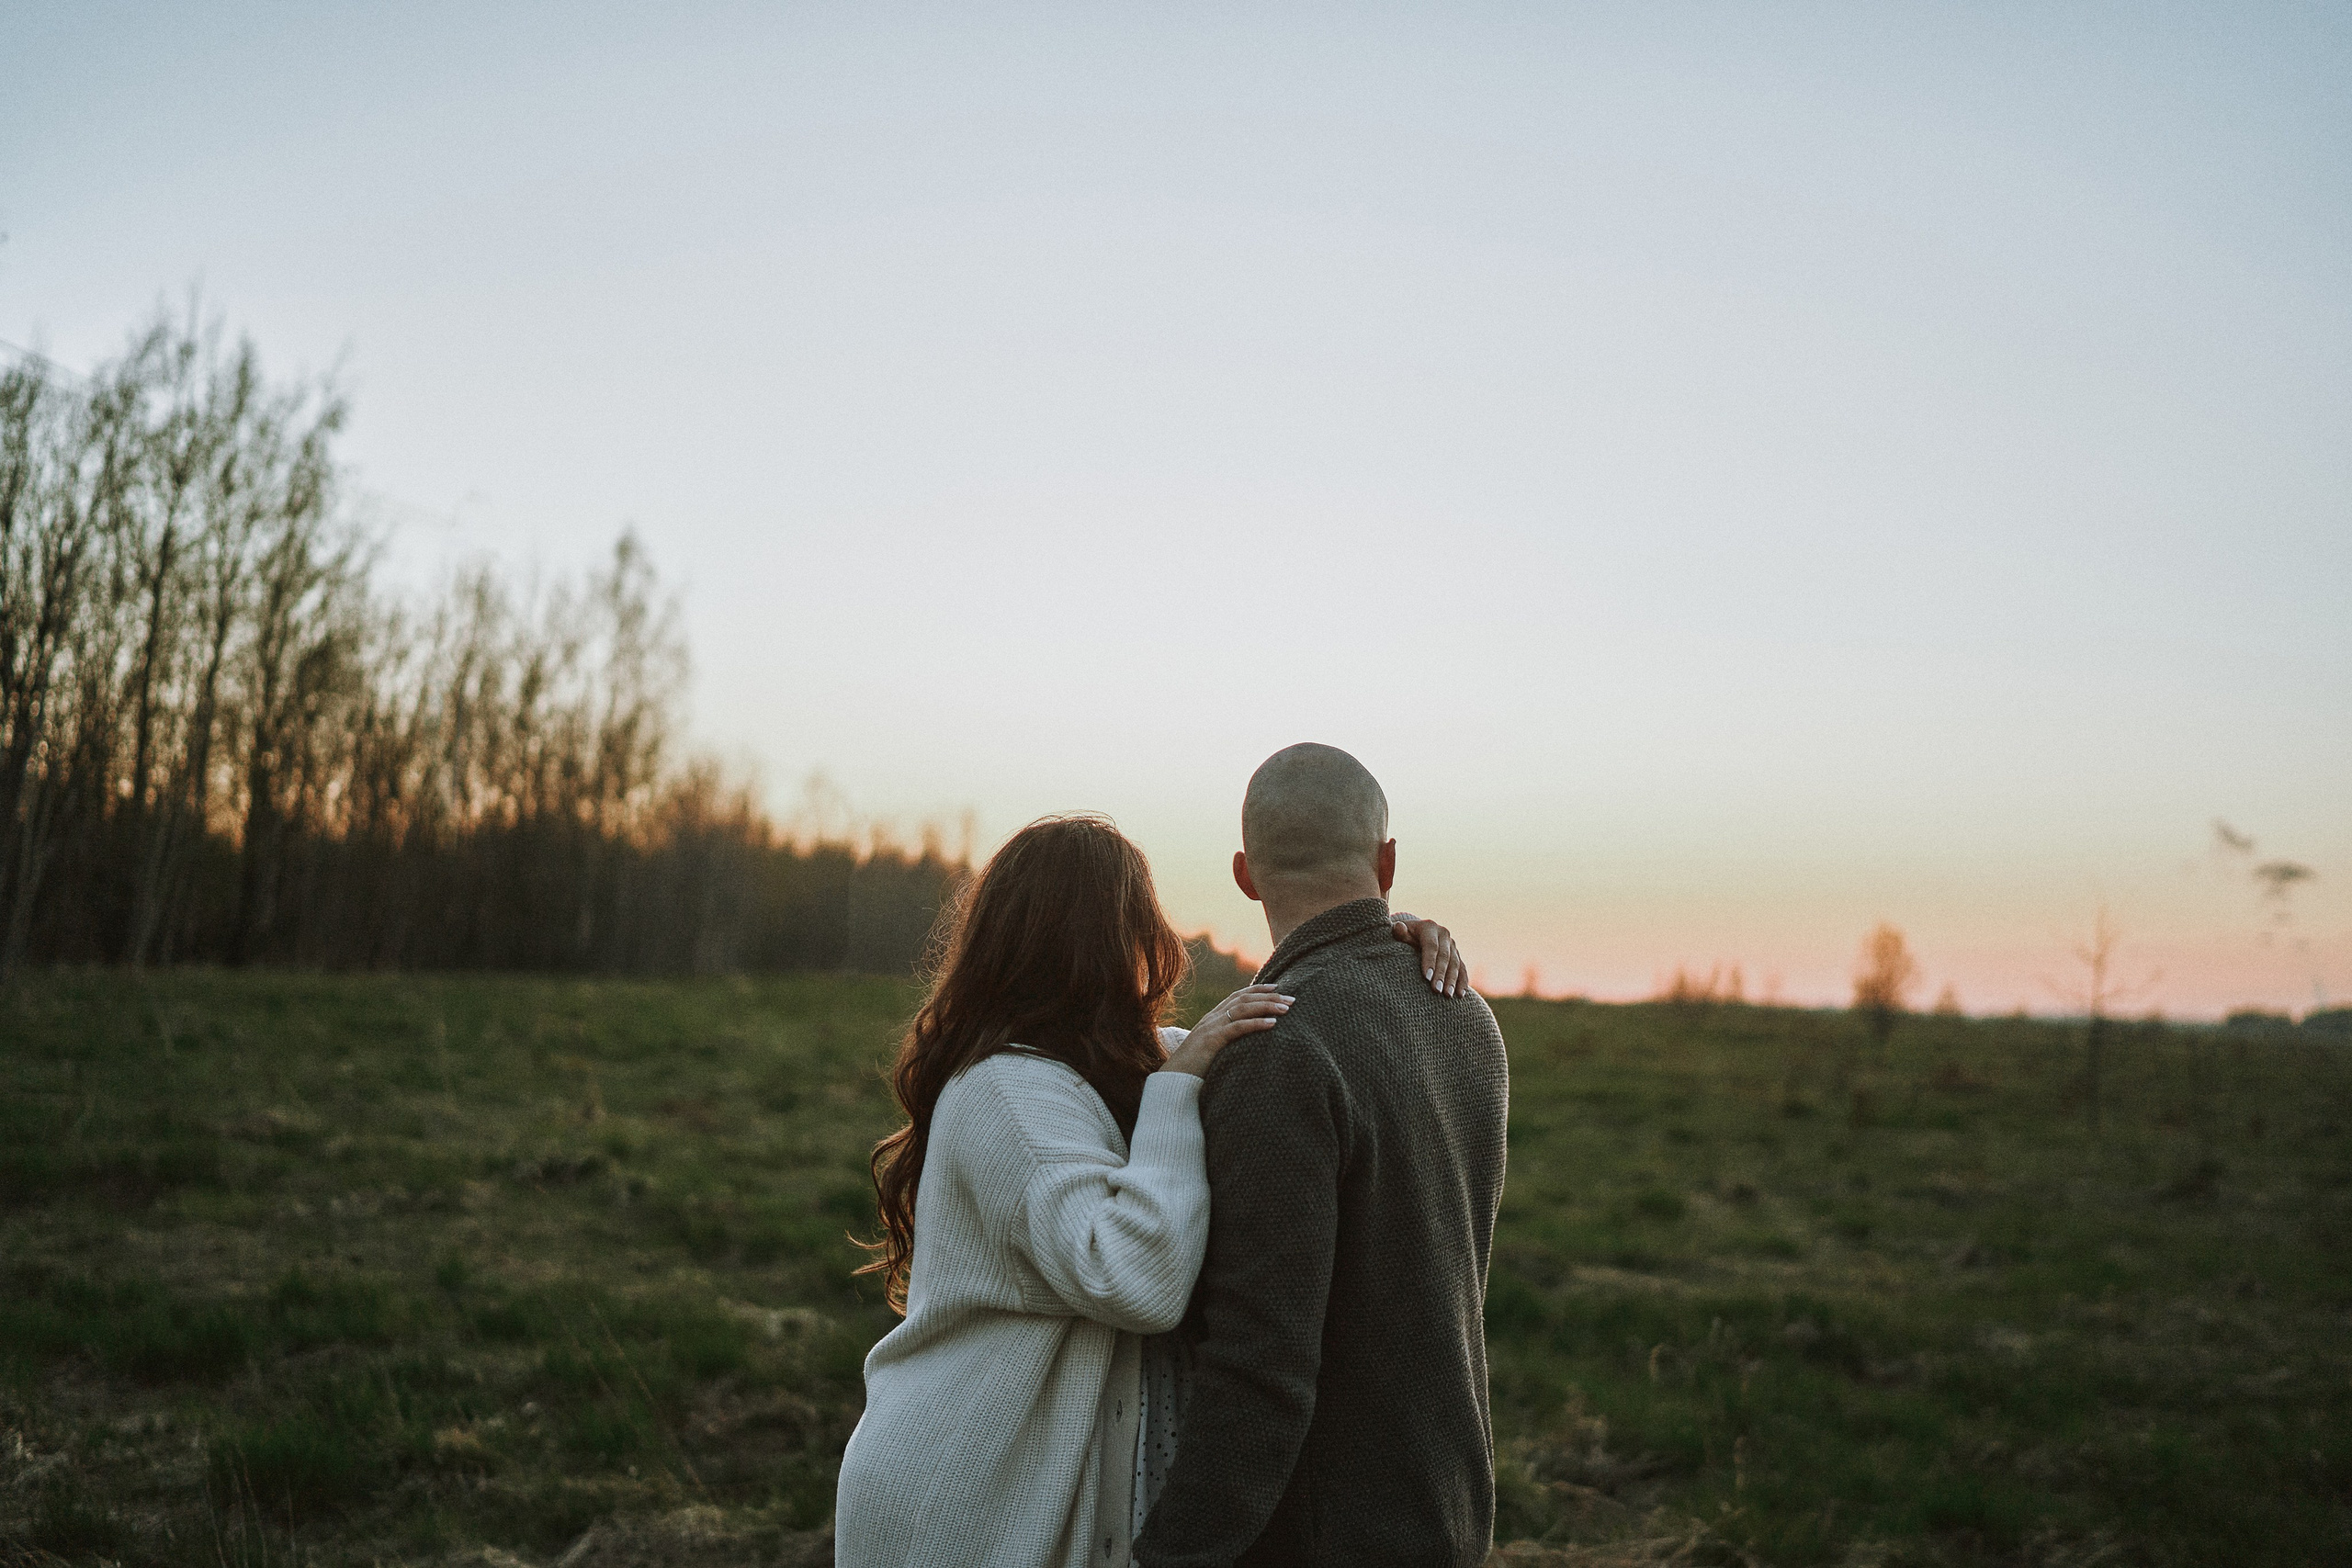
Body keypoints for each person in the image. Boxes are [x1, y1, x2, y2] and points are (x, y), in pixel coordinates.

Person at [832, 812, 1471, 1568]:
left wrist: (1380, 941)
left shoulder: (1124, 1060)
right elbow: (1136, 1279)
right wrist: (1175, 1093)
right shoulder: (1003, 1092)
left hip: (1037, 1497)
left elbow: (1235, 1035)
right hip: (967, 1500)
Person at [1135, 744, 1511, 1568]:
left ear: (1245, 874)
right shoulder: (1470, 1017)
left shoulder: (1278, 1048)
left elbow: (1261, 1362)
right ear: (1386, 861)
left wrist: (1173, 1555)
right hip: (1448, 1507)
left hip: (1327, 1533)